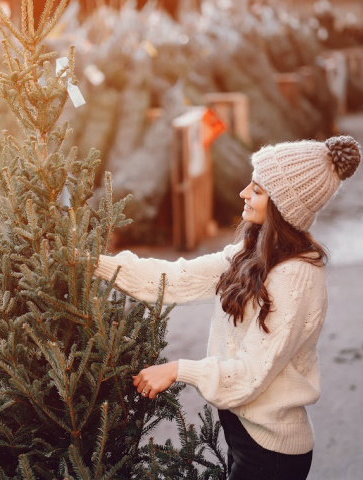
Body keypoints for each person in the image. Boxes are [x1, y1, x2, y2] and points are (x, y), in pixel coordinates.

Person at [94, 135, 361, 479]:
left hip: (272, 454)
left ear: (283, 206)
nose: (244, 193)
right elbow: (176, 277)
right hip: (247, 438)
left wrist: (178, 369)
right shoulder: (252, 254)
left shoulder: (295, 277)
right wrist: (90, 263)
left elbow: (250, 374)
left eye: (258, 189)